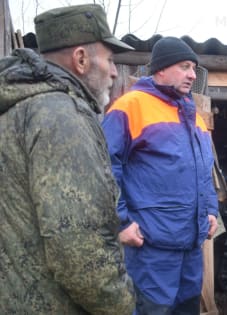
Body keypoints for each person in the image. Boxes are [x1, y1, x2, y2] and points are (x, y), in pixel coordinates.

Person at [0, 4, 136, 315]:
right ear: (81, 59)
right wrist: (121, 304)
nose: (115, 72)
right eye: (111, 60)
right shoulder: (62, 116)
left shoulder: (16, 108)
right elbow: (78, 251)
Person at [102, 36, 218, 314]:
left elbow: (204, 170)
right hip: (151, 247)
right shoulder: (131, 106)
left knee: (187, 308)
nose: (192, 74)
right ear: (161, 69)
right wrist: (121, 223)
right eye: (185, 66)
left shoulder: (195, 117)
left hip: (191, 247)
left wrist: (211, 209)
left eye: (193, 68)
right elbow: (104, 167)